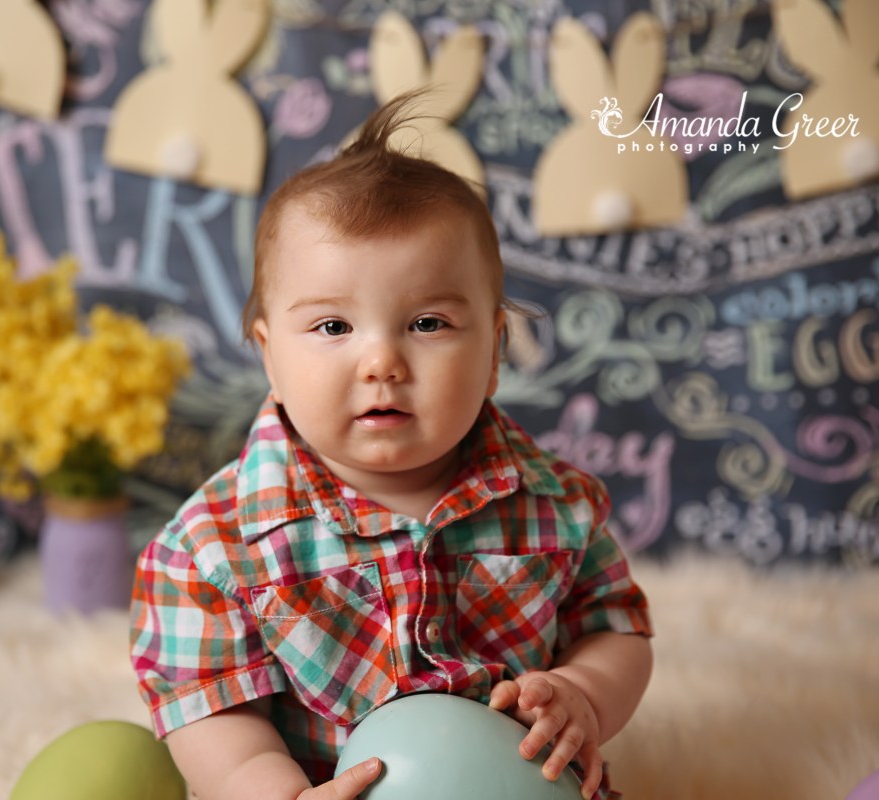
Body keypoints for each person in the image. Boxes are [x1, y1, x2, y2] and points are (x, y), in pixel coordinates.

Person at [130, 95, 654, 800]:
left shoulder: (559, 505)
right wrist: (272, 790)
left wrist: (582, 691)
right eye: (334, 327)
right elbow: (211, 708)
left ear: (494, 351)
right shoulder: (211, 548)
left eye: (428, 323)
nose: (382, 362)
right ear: (269, 357)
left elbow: (615, 629)